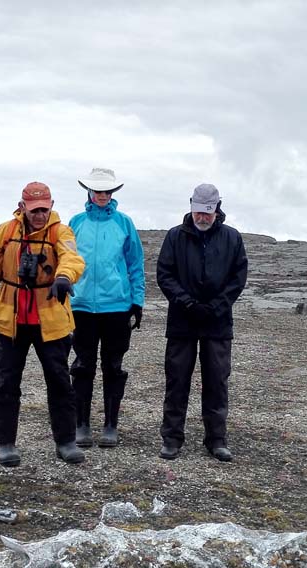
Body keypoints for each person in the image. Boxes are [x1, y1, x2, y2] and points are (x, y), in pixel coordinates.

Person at [0, 181, 87, 467]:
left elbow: (72, 258)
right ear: (22, 206)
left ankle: (66, 441)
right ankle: (5, 442)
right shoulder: (5, 232)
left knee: (60, 381)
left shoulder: (61, 231)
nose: (40, 215)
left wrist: (64, 277)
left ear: (52, 205)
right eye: (34, 210)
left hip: (51, 320)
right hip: (10, 320)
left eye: (44, 209)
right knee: (6, 383)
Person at [156, 183, 248, 462]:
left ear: (217, 209)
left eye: (207, 212)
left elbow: (238, 278)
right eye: (198, 211)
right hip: (182, 321)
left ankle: (217, 439)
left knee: (217, 381)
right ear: (191, 206)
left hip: (217, 323)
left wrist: (217, 307)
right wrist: (187, 303)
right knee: (177, 380)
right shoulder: (175, 236)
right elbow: (165, 274)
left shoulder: (232, 238)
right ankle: (172, 438)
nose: (202, 217)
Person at [68, 168, 145, 448]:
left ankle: (111, 424)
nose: (102, 195)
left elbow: (135, 263)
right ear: (89, 191)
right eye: (98, 190)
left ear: (113, 192)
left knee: (113, 366)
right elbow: (65, 261)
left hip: (117, 306)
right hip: (81, 306)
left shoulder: (124, 223)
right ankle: (81, 424)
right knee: (82, 366)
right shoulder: (75, 223)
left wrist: (137, 301)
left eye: (107, 191)